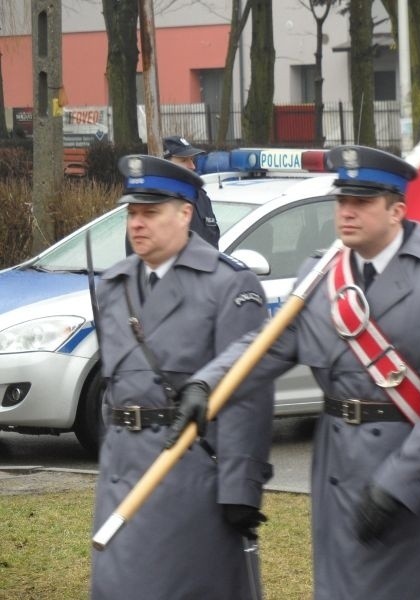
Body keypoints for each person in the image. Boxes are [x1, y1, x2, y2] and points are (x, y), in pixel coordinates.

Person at [169, 145, 420, 599]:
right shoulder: (322, 275)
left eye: (361, 202)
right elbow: (267, 347)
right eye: (342, 200)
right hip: (338, 472)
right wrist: (209, 383)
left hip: (411, 474)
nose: (346, 212)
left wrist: (399, 485)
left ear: (397, 209)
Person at [91, 155, 273, 599]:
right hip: (121, 477)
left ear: (185, 213)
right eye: (132, 213)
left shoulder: (228, 284)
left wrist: (241, 487)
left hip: (187, 473)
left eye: (150, 212)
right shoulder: (112, 286)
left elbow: (248, 390)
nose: (137, 224)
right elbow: (115, 386)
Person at [162, 135, 221, 248]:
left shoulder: (201, 198)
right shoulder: (155, 202)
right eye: (184, 160)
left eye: (192, 160)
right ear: (166, 164)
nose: (192, 166)